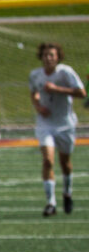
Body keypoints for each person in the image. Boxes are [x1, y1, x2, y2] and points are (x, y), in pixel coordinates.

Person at [29, 42, 85, 216]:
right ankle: (51, 203)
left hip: (65, 123)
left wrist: (57, 89)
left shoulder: (65, 72)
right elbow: (33, 93)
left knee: (65, 163)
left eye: (51, 55)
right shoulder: (35, 75)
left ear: (58, 57)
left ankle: (67, 193)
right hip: (45, 124)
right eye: (45, 55)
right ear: (41, 57)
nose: (48, 58)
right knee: (48, 160)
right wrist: (38, 107)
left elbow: (82, 93)